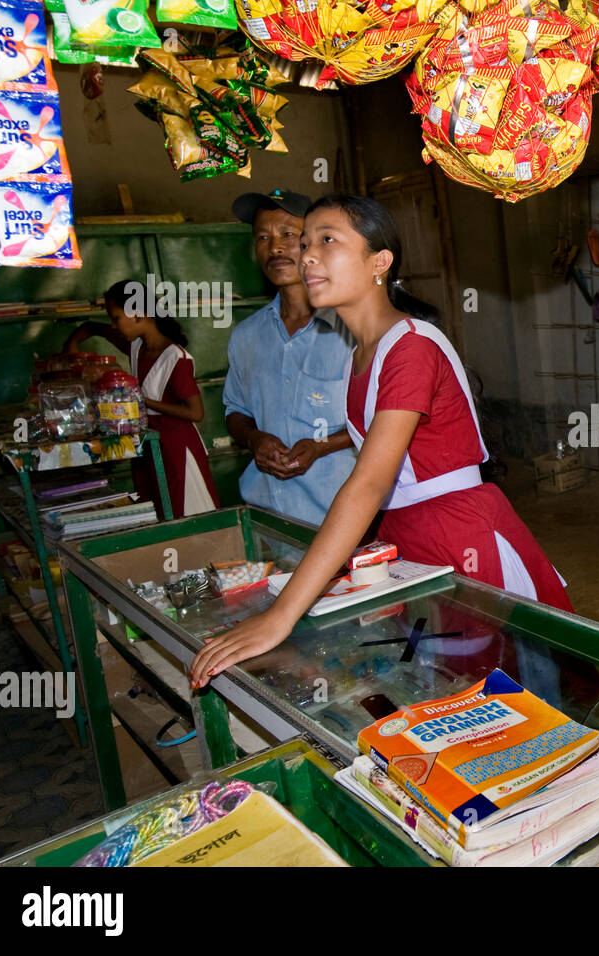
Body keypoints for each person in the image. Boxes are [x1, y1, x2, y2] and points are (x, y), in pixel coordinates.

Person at [190, 194, 572, 688]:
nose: (307, 255)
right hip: (410, 534)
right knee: (440, 682)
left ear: (379, 262)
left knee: (506, 684)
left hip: (459, 534)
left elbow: (367, 484)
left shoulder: (410, 347)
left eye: (327, 240)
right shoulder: (362, 353)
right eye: (305, 244)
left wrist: (281, 614)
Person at [223, 189, 356, 526]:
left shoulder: (352, 330)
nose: (275, 248)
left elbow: (383, 421)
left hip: (341, 520)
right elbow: (235, 411)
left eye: (287, 235)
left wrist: (321, 446)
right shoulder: (246, 335)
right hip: (267, 518)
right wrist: (254, 439)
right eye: (263, 237)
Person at [66, 280, 221, 519]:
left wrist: (140, 400)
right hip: (148, 445)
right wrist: (72, 346)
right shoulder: (136, 346)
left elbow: (195, 413)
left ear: (138, 314)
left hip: (177, 448)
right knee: (156, 513)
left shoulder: (175, 358)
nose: (113, 325)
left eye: (116, 318)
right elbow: (90, 327)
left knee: (186, 515)